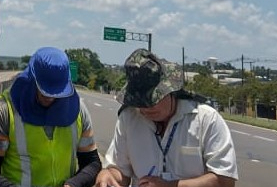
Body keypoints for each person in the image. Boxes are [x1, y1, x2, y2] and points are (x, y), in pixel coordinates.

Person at [96, 50, 237, 187]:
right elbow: (120, 170)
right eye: (140, 103)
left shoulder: (205, 119)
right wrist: (108, 175)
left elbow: (225, 180)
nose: (146, 109)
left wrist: (171, 185)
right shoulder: (129, 118)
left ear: (171, 92)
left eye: (152, 101)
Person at [0, 47, 101, 187]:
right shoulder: (3, 110)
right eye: (45, 91)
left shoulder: (78, 109)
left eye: (57, 92)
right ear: (31, 78)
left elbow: (92, 163)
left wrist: (73, 184)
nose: (50, 98)